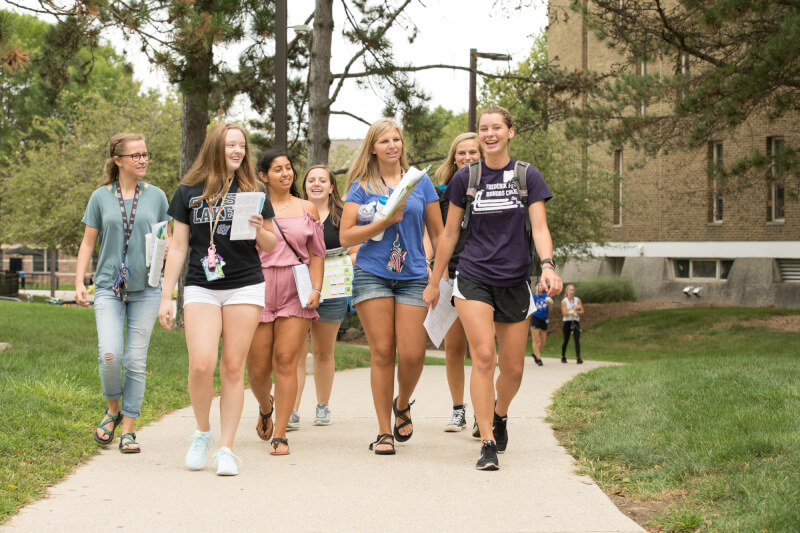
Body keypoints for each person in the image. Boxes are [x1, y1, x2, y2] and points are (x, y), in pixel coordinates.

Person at [423, 106, 563, 471]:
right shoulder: (465, 179)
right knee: (484, 356)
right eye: (483, 128)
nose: (489, 134)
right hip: (473, 276)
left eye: (496, 128)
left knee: (513, 369)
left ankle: (499, 414)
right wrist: (436, 280)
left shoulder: (527, 176)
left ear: (510, 132)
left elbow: (540, 228)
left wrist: (547, 266)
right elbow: (450, 234)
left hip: (515, 280)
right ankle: (487, 440)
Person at [158, 123, 276, 476]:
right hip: (201, 284)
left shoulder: (251, 190)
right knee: (201, 364)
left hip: (244, 284)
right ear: (215, 147)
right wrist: (167, 296)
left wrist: (259, 228)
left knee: (232, 367)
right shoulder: (188, 191)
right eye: (231, 145)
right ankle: (202, 432)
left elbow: (270, 244)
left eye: (241, 146)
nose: (238, 151)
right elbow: (178, 246)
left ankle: (226, 447)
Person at [339, 118, 444, 455]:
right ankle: (384, 431)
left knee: (413, 354)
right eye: (384, 141)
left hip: (413, 274)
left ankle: (402, 403)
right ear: (373, 147)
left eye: (396, 139)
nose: (392, 145)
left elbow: (440, 233)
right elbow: (345, 236)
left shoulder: (421, 182)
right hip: (373, 273)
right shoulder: (361, 185)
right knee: (383, 352)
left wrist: (436, 274)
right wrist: (383, 222)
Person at [76, 133, 170, 454]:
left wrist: (166, 249)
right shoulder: (100, 197)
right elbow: (88, 243)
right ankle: (112, 410)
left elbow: (164, 237)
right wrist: (78, 282)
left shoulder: (157, 196)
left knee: (136, 361)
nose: (143, 160)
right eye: (136, 156)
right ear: (118, 161)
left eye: (146, 154)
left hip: (147, 289)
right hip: (108, 287)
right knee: (110, 355)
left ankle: (128, 429)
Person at [245, 150, 325, 456]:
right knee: (257, 368)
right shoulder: (252, 206)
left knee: (286, 361)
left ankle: (280, 433)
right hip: (258, 286)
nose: (285, 174)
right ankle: (266, 405)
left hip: (297, 287)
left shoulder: (308, 209)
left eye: (289, 168)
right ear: (263, 176)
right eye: (277, 169)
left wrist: (316, 288)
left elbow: (317, 253)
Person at [290, 165, 359, 427]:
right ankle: (292, 409)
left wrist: (348, 261)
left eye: (323, 180)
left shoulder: (343, 216)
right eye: (311, 180)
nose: (316, 184)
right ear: (304, 185)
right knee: (296, 351)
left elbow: (356, 247)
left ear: (332, 187)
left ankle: (322, 406)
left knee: (322, 352)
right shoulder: (294, 212)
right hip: (298, 287)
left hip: (333, 289)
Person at [432, 132, 483, 432]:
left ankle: (482, 411)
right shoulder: (441, 194)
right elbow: (439, 237)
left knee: (481, 347)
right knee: (454, 348)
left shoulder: (492, 189)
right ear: (453, 158)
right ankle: (457, 409)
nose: (466, 157)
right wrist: (438, 273)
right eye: (461, 153)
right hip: (450, 273)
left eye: (472, 152)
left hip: (481, 274)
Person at [530, 281, 553, 366]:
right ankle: (538, 358)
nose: (540, 287)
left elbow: (550, 309)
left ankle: (535, 353)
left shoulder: (546, 297)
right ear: (535, 287)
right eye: (538, 285)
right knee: (536, 339)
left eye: (541, 285)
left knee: (543, 341)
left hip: (544, 319)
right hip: (535, 318)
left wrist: (549, 304)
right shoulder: (533, 297)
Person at [560, 284, 584, 364]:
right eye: (570, 290)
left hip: (575, 321)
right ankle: (563, 356)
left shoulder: (577, 300)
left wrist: (575, 312)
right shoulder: (564, 301)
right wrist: (572, 311)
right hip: (567, 322)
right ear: (567, 291)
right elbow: (564, 313)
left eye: (573, 290)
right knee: (566, 340)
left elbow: (582, 311)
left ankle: (578, 357)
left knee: (577, 339)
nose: (572, 291)